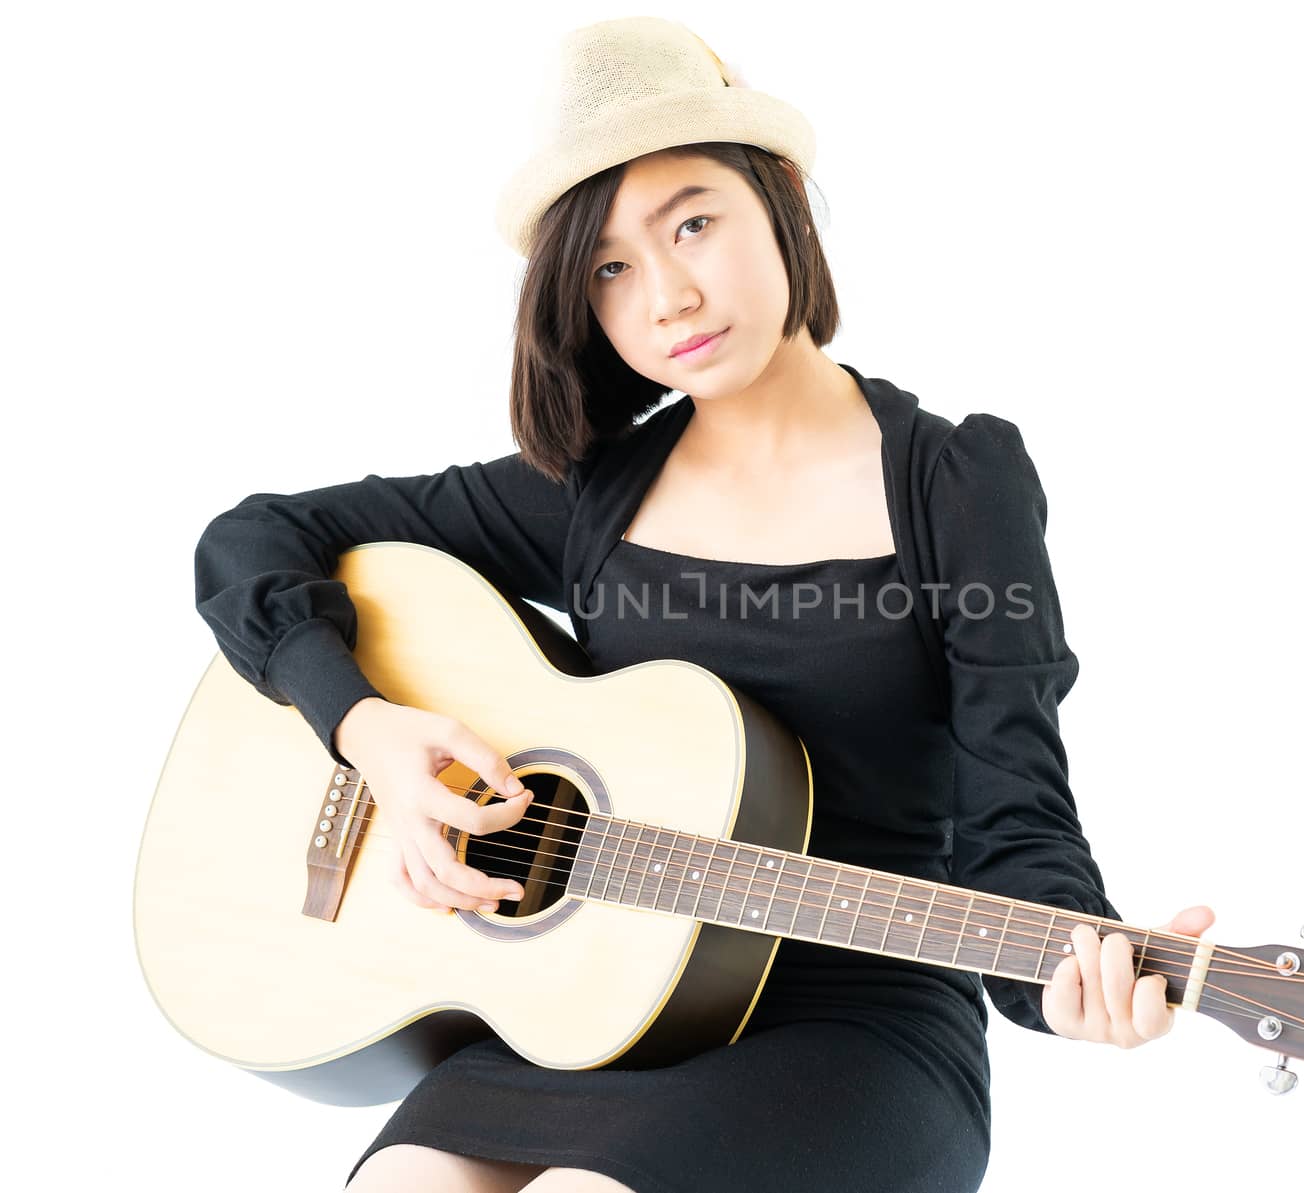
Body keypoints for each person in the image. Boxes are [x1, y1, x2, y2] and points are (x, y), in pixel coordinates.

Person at [192, 17, 1213, 1193]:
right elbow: (254, 538)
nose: (667, 293)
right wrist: (364, 727)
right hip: (597, 1005)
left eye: (692, 221)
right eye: (610, 267)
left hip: (857, 1022)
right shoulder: (595, 490)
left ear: (778, 196)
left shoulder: (955, 482)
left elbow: (1017, 808)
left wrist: (1074, 974)